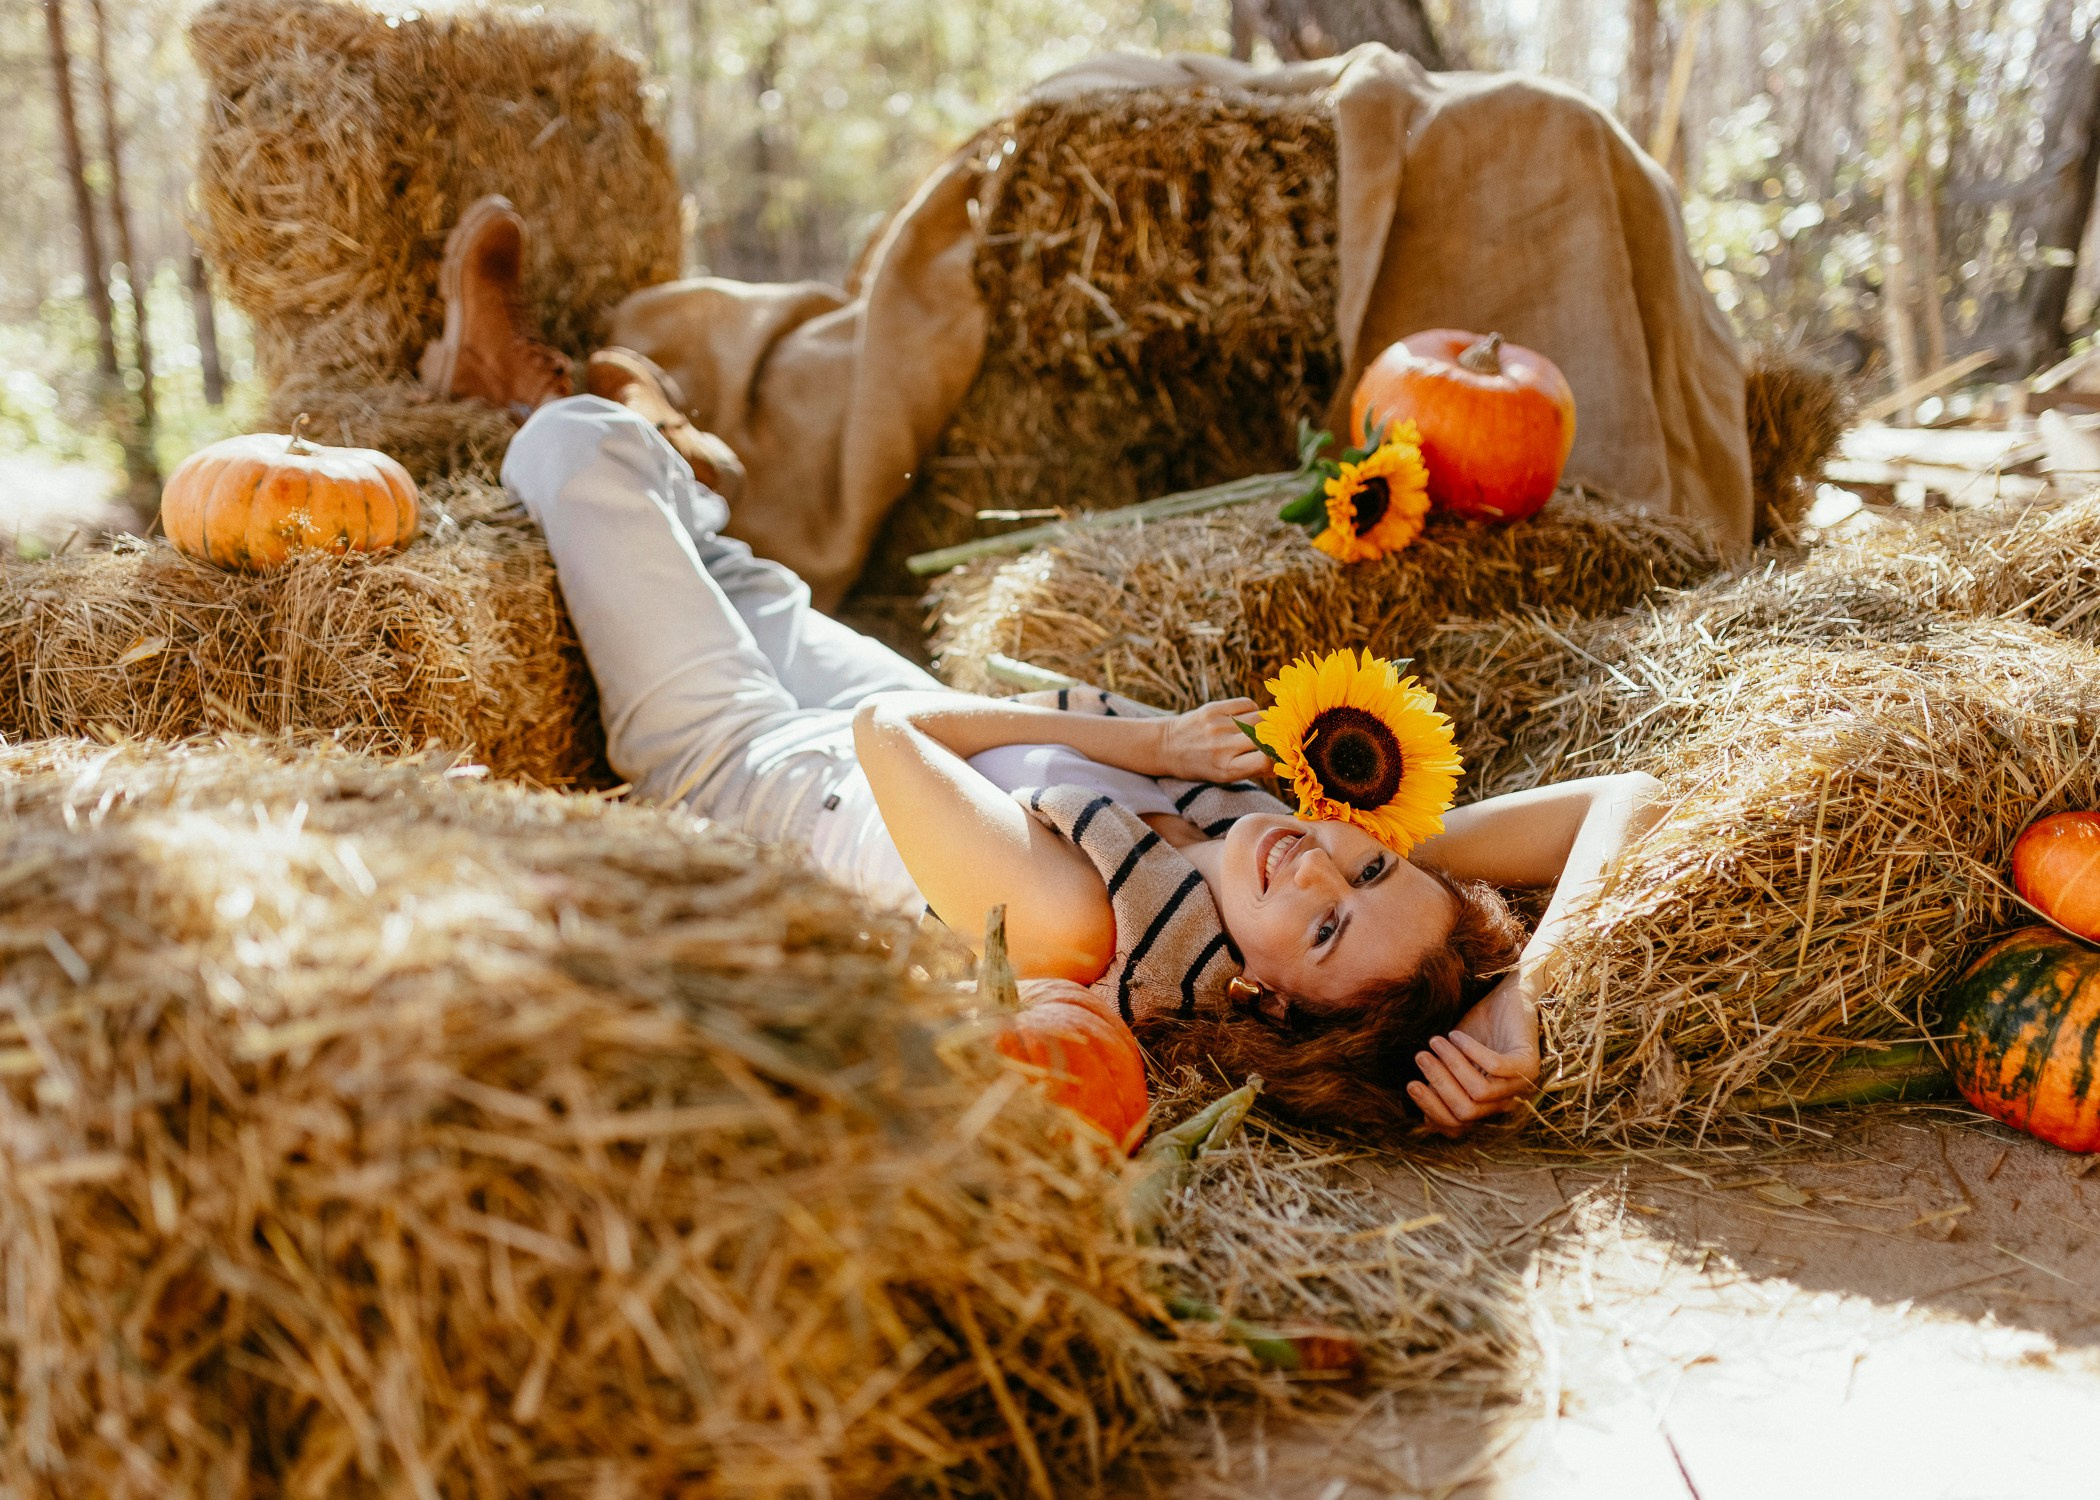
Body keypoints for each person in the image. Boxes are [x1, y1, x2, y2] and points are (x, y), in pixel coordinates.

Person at [424, 197, 1663, 1136]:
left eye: (1330, 921)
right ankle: (670, 470)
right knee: (745, 578)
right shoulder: (1305, 886)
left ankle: (533, 399)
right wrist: (1522, 999)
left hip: (754, 764)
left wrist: (1154, 749)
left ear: (1266, 1004)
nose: (1324, 851)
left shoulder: (1082, 926)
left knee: (586, 458)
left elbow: (889, 736)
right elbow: (1627, 805)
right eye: (1373, 859)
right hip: (949, 736)